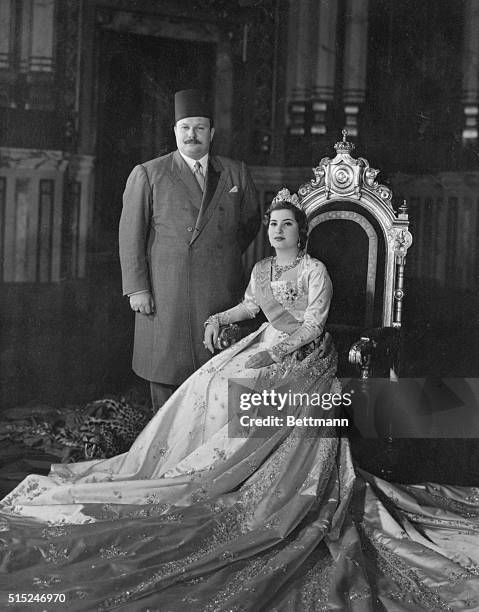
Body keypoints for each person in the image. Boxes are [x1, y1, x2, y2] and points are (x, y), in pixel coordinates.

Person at [2, 193, 479, 610]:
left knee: (243, 385)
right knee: (209, 382)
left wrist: (275, 349)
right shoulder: (262, 269)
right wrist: (217, 317)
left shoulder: (316, 271)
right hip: (264, 341)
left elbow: (313, 324)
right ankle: (198, 467)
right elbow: (251, 308)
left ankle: (237, 467)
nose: (277, 230)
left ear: (302, 231)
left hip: (306, 352)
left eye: (286, 223)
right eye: (272, 224)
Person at [119, 89, 260, 411]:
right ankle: (166, 456)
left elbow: (250, 223)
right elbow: (130, 236)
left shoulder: (235, 172)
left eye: (199, 128)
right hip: (166, 292)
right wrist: (137, 289)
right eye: (185, 128)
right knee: (166, 373)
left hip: (218, 290)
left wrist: (218, 253)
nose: (192, 135)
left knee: (216, 378)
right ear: (175, 132)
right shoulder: (149, 173)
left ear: (211, 133)